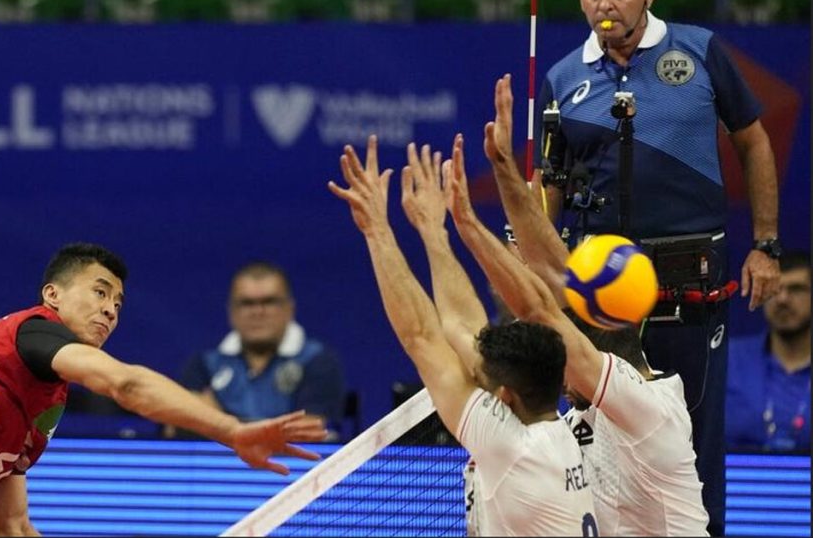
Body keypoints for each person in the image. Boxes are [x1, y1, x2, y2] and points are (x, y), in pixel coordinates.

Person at [531, 0, 780, 534]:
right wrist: (536, 268)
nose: (605, 3)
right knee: (597, 444)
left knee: (692, 446)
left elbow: (753, 140)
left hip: (688, 285)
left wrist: (765, 244)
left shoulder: (699, 52)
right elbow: (549, 187)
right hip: (596, 293)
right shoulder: (565, 77)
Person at [0, 243, 327, 537]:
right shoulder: (33, 333)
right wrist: (231, 431)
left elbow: (11, 527)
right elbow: (127, 384)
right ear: (53, 295)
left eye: (117, 303)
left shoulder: (43, 398)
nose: (109, 310)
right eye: (100, 292)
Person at [472, 73, 709, 535]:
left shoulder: (647, 406)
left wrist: (464, 225)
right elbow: (556, 274)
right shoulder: (603, 401)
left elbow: (540, 309)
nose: (560, 381)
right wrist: (504, 171)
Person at [329, 135, 597, 536]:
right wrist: (432, 232)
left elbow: (423, 337)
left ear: (504, 397)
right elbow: (465, 331)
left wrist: (377, 230)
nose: (474, 362)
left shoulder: (511, 448)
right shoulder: (557, 431)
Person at [170, 262, 346, 438]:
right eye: (247, 303)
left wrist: (216, 420)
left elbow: (308, 433)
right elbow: (173, 429)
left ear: (289, 309)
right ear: (231, 311)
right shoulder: (204, 365)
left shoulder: (317, 361)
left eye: (269, 302)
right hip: (219, 464)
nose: (258, 312)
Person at [727, 250, 811, 452]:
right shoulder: (729, 360)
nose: (782, 299)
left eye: (796, 289)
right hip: (737, 479)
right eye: (773, 290)